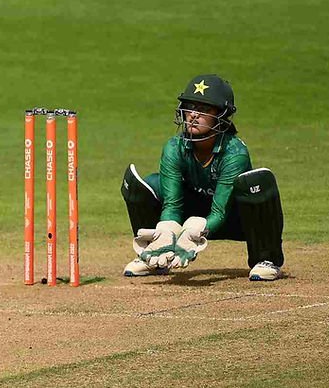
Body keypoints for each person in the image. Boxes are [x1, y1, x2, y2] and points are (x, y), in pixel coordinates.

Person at [120, 74, 285, 281]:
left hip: (234, 219)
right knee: (150, 184)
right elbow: (172, 204)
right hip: (190, 215)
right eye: (190, 108)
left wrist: (195, 230)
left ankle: (266, 259)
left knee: (258, 182)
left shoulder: (234, 153)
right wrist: (167, 230)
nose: (193, 115)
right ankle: (155, 254)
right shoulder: (174, 147)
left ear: (221, 117)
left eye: (204, 110)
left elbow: (219, 211)